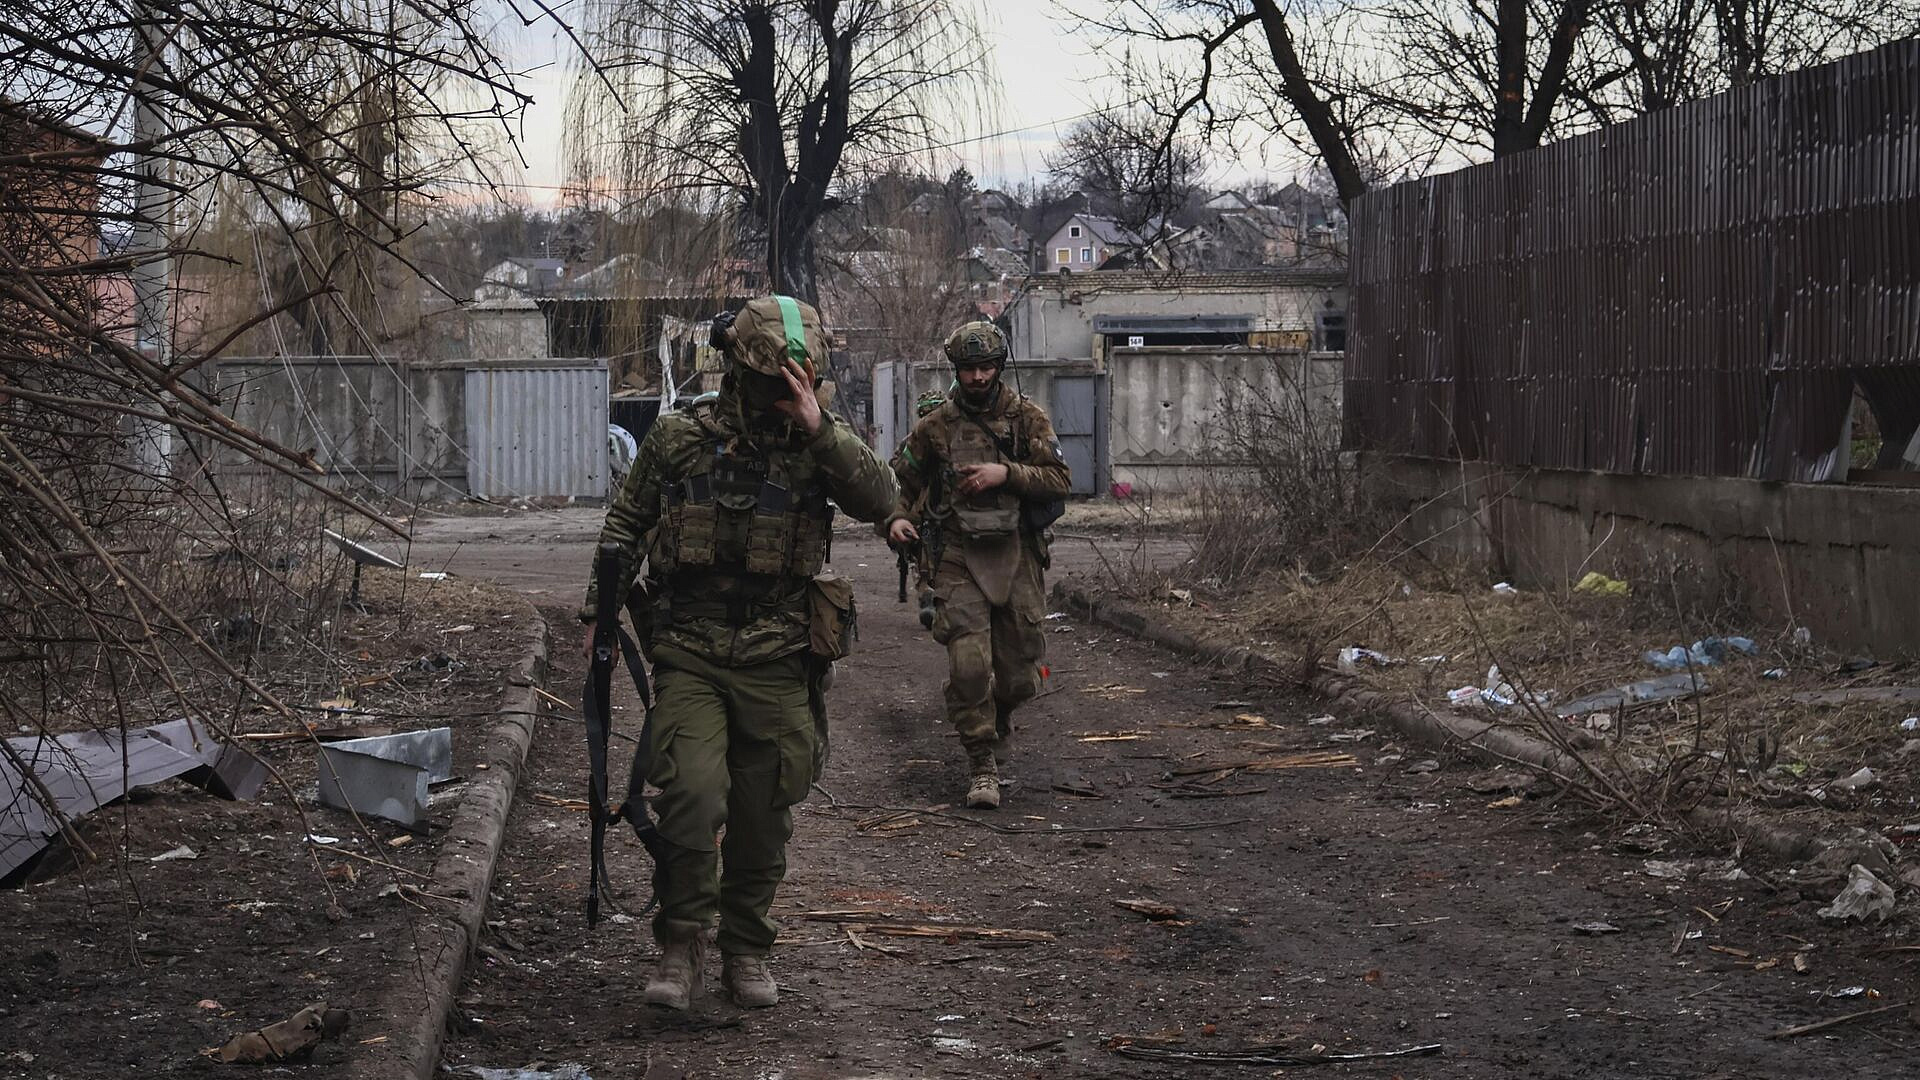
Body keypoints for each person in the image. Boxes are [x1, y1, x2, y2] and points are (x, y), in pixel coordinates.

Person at [582, 295, 897, 1010]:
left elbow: (883, 497)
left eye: (800, 380)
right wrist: (598, 616)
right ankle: (681, 944)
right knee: (692, 795)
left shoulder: (819, 440)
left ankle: (746, 949)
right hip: (690, 649)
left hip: (781, 654)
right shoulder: (679, 438)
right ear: (738, 372)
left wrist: (820, 431)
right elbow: (625, 524)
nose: (784, 394)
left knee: (763, 812)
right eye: (772, 380)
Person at [885, 321, 1071, 809]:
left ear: (999, 366)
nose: (978, 377)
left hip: (1016, 552)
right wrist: (898, 520)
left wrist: (1005, 473)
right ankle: (981, 762)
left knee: (1019, 674)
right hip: (956, 554)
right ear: (957, 371)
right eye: (969, 369)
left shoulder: (1027, 418)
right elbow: (903, 482)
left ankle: (1001, 714)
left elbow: (1059, 479)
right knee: (969, 666)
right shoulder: (935, 427)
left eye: (986, 366)